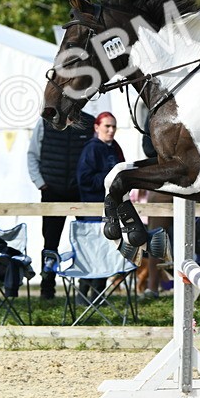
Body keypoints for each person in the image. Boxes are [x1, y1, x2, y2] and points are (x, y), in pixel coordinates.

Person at [27, 111, 95, 300]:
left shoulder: (89, 123)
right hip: (52, 191)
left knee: (86, 240)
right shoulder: (45, 122)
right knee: (50, 242)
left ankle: (85, 288)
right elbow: (32, 154)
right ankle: (47, 289)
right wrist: (40, 183)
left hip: (80, 192)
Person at [76, 112, 125, 299]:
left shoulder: (115, 148)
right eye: (107, 126)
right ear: (97, 127)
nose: (111, 130)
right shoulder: (91, 149)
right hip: (93, 209)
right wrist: (110, 178)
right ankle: (83, 295)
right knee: (91, 252)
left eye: (114, 126)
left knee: (105, 251)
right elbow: (84, 179)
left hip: (111, 208)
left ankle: (98, 295)